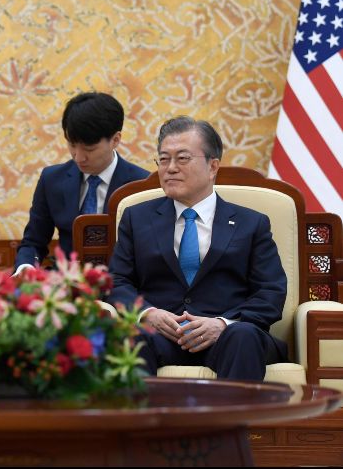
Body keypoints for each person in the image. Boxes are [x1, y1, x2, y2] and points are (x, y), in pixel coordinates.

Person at [107, 116, 288, 381]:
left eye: (182, 159)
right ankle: (142, 423)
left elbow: (270, 291)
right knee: (130, 336)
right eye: (163, 159)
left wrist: (223, 324)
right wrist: (148, 313)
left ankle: (232, 423)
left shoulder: (252, 223)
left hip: (228, 337)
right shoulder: (137, 218)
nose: (170, 168)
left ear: (213, 166)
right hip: (162, 336)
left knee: (244, 335)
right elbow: (117, 282)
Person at [14, 92, 149, 274]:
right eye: (71, 145)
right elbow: (33, 242)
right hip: (66, 288)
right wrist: (26, 267)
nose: (78, 157)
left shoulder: (141, 186)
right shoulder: (52, 179)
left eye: (89, 149)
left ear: (115, 140)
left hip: (123, 289)